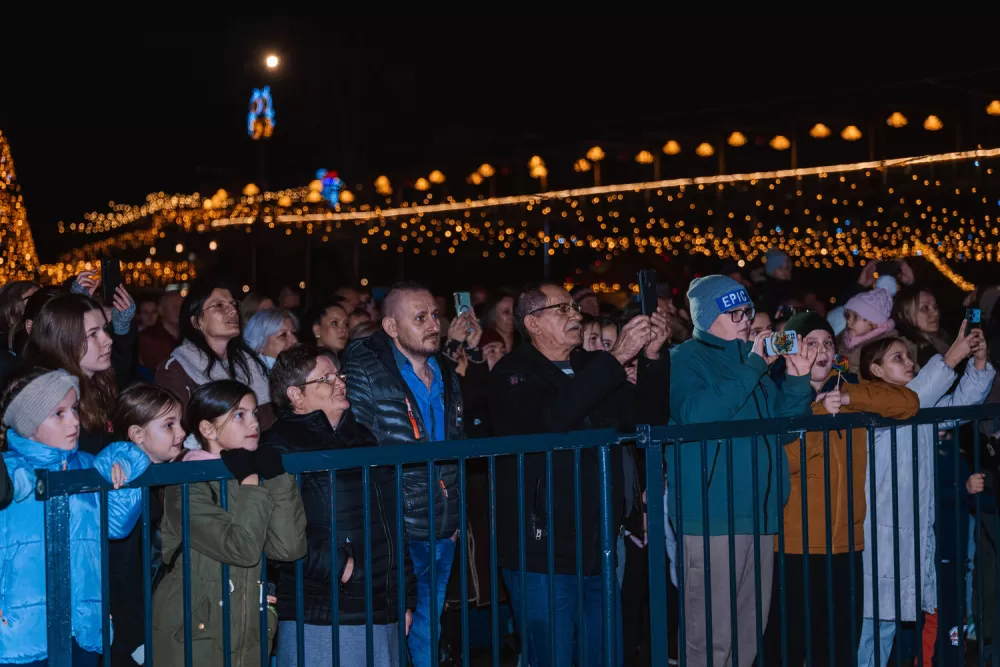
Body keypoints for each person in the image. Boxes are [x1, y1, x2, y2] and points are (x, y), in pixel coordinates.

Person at [488, 281, 670, 667]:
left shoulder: (590, 365)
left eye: (574, 307)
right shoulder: (512, 374)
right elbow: (552, 420)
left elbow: (647, 419)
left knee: (604, 653)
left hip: (596, 544)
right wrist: (616, 357)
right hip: (542, 550)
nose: (575, 315)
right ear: (533, 323)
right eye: (563, 309)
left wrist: (653, 358)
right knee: (551, 656)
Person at [668, 275, 818, 667]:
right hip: (713, 517)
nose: (745, 320)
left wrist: (798, 380)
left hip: (760, 513)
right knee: (710, 640)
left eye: (747, 311)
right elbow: (695, 416)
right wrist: (753, 366)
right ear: (707, 318)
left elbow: (782, 429)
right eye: (733, 312)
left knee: (748, 635)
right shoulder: (685, 357)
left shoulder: (751, 362)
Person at [761, 312, 920, 667]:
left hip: (846, 545)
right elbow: (784, 464)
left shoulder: (848, 389)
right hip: (794, 547)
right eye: (811, 343)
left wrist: (847, 398)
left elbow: (909, 403)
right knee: (786, 648)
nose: (821, 351)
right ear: (792, 349)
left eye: (828, 343)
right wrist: (818, 414)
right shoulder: (775, 393)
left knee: (838, 649)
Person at [262, 346, 415, 667]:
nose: (340, 383)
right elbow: (275, 532)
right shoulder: (280, 445)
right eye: (326, 378)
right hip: (323, 610)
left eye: (340, 375)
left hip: (382, 604)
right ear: (295, 395)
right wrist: (341, 568)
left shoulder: (363, 438)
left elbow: (391, 520)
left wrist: (404, 594)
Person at [856, 322, 994, 667]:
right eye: (897, 358)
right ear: (876, 370)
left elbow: (959, 406)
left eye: (908, 356)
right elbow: (916, 396)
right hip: (879, 531)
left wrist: (978, 363)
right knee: (870, 625)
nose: (909, 362)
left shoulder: (917, 408)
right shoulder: (872, 407)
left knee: (887, 624)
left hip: (908, 534)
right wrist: (951, 357)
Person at [341, 281, 464, 667]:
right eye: (420, 318)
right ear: (391, 326)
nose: (434, 325)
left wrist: (454, 514)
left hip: (442, 527)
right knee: (390, 635)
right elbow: (357, 444)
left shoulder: (445, 371)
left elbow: (457, 445)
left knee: (428, 630)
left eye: (435, 316)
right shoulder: (364, 369)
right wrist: (379, 525)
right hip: (395, 529)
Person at [0, 367, 149, 666]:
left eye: (75, 409)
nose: (75, 421)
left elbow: (118, 524)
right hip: (19, 630)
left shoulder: (89, 468)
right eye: (59, 413)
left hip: (82, 626)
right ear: (28, 425)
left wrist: (125, 463)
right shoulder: (7, 473)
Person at [152, 380, 306, 667]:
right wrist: (250, 482)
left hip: (247, 631)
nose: (254, 423)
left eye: (254, 413)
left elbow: (289, 548)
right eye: (239, 415)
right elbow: (241, 549)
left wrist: (277, 479)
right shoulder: (187, 483)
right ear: (208, 429)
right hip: (195, 636)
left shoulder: (250, 477)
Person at [107, 383, 187, 666]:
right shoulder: (123, 491)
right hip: (133, 635)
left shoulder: (164, 478)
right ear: (137, 434)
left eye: (180, 423)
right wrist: (136, 640)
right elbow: (121, 576)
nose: (182, 433)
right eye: (169, 425)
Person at [154, 282, 273, 427]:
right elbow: (177, 427)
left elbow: (268, 419)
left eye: (233, 304)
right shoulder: (176, 369)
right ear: (198, 322)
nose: (233, 311)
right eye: (219, 305)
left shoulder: (250, 363)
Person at [22, 293, 120, 456]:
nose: (108, 340)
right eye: (93, 334)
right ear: (64, 341)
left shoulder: (100, 382)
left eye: (105, 329)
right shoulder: (52, 398)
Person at [838, 287, 897, 371]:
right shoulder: (842, 339)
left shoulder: (884, 347)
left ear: (874, 322)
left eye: (855, 317)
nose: (848, 321)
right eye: (848, 316)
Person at [892, 286, 953, 367]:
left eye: (935, 307)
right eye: (925, 308)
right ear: (905, 314)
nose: (936, 313)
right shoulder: (910, 351)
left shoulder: (945, 337)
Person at [139, 291, 182, 370]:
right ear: (161, 310)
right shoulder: (148, 337)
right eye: (174, 306)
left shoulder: (190, 336)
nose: (178, 310)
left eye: (181, 306)